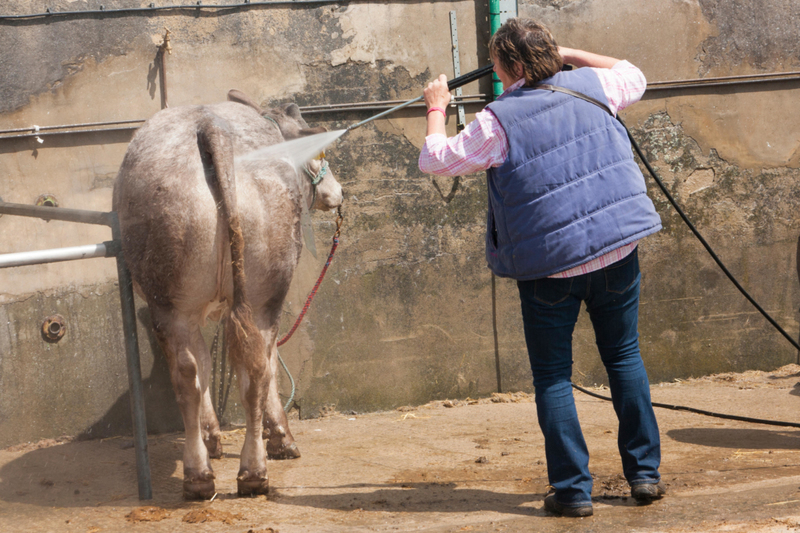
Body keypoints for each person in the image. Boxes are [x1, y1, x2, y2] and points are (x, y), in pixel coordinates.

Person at [419, 17, 666, 517]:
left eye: (496, 65)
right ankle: (644, 475)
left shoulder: (496, 120)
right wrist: (568, 53)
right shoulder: (595, 84)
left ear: (509, 67)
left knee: (553, 377)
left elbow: (437, 160)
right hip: (618, 253)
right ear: (549, 54)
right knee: (624, 358)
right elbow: (633, 73)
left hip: (549, 271)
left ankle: (574, 492)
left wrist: (436, 109)